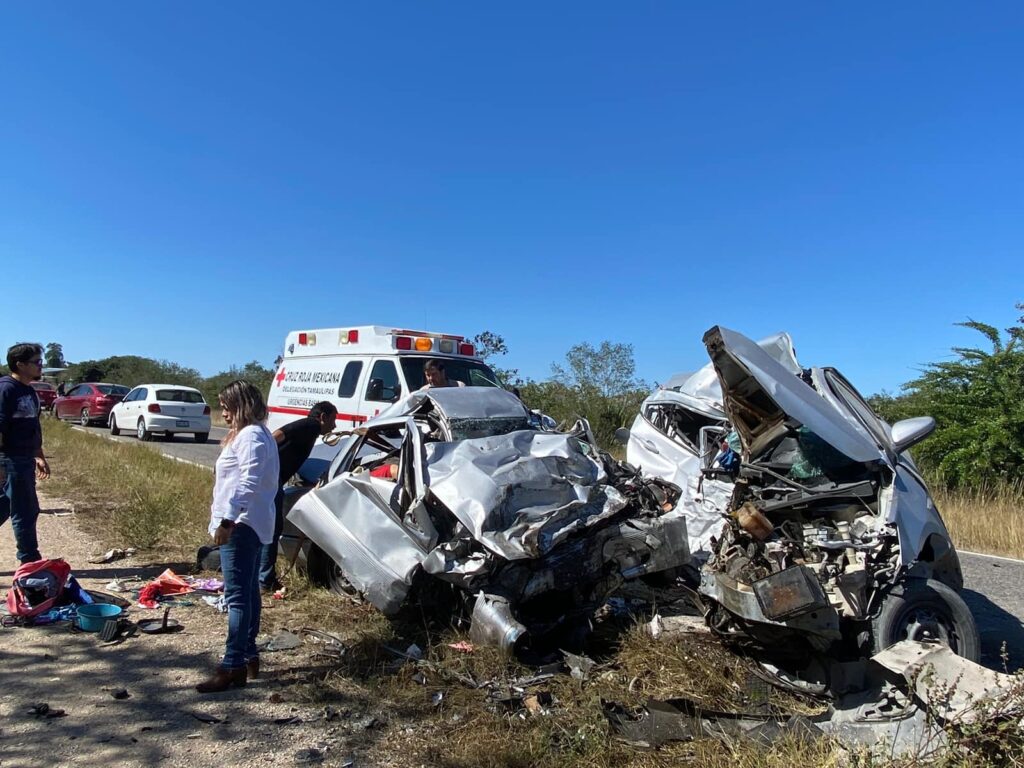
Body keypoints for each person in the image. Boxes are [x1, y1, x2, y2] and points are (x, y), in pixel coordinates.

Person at [197, 380, 279, 694]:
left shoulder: (252, 437)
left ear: (241, 406)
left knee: (237, 598)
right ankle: (248, 655)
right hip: (248, 523)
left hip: (242, 526)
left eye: (228, 407)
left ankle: (232, 665)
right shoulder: (254, 435)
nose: (224, 414)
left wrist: (228, 521)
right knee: (248, 594)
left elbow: (248, 483)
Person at [258, 400, 338, 593]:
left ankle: (262, 577)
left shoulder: (310, 431)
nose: (334, 426)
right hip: (271, 479)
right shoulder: (309, 425)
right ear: (323, 417)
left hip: (271, 478)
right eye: (332, 420)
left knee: (267, 528)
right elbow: (277, 435)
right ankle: (265, 580)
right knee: (272, 528)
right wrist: (264, 460)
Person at [0, 343, 50, 564]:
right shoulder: (6, 389)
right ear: (20, 364)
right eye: (36, 362)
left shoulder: (29, 391)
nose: (41, 366)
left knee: (4, 505)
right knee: (26, 510)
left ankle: (29, 559)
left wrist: (39, 455)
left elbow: (32, 426)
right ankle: (30, 561)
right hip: (9, 459)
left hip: (24, 458)